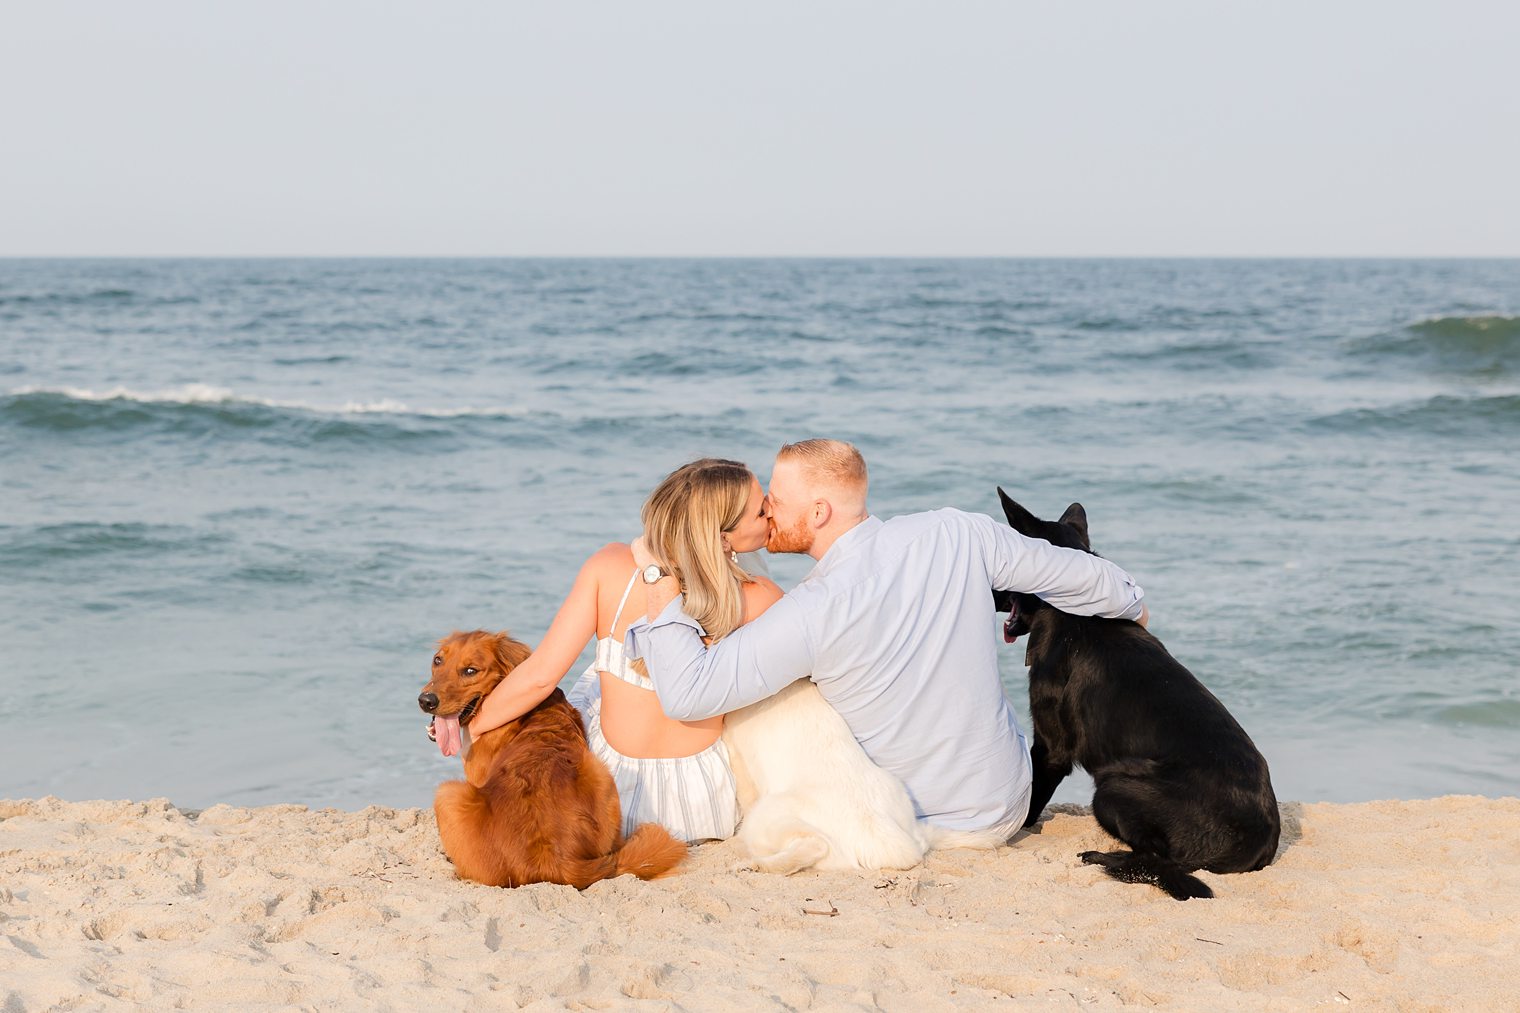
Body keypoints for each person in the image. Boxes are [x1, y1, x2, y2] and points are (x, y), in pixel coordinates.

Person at [627, 439, 1149, 844]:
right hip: (1006, 804)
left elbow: (689, 694)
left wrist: (657, 577)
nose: (765, 510)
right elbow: (1083, 576)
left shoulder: (809, 609)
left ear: (817, 513)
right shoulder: (956, 532)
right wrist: (1134, 606)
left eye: (775, 501)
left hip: (915, 821)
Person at [452, 457, 783, 844]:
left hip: (606, 797)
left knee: (592, 679)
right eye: (761, 511)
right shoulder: (761, 599)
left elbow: (540, 676)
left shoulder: (608, 567)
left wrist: (470, 727)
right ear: (724, 538)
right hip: (702, 803)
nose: (771, 513)